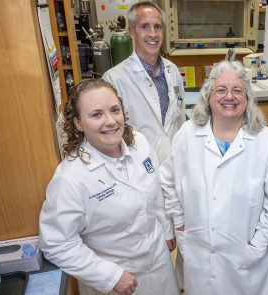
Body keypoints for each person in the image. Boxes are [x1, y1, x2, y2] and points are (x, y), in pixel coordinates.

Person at [160, 60, 268, 294]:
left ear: (248, 97)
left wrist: (257, 244)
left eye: (237, 90)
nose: (229, 97)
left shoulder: (267, 141)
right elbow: (168, 182)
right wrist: (180, 226)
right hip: (199, 254)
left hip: (249, 260)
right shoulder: (187, 135)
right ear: (208, 95)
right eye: (221, 89)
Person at [39, 79, 179, 295]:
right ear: (78, 123)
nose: (111, 121)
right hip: (117, 281)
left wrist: (167, 228)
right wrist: (109, 276)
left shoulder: (139, 144)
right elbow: (56, 243)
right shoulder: (71, 178)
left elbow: (156, 192)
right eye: (96, 114)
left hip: (159, 266)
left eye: (115, 110)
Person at [102, 1, 185, 285]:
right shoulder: (114, 79)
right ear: (132, 31)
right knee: (154, 251)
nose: (153, 33)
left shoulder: (173, 71)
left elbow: (178, 123)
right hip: (142, 177)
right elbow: (112, 137)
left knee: (184, 241)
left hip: (176, 172)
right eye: (145, 27)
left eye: (158, 27)